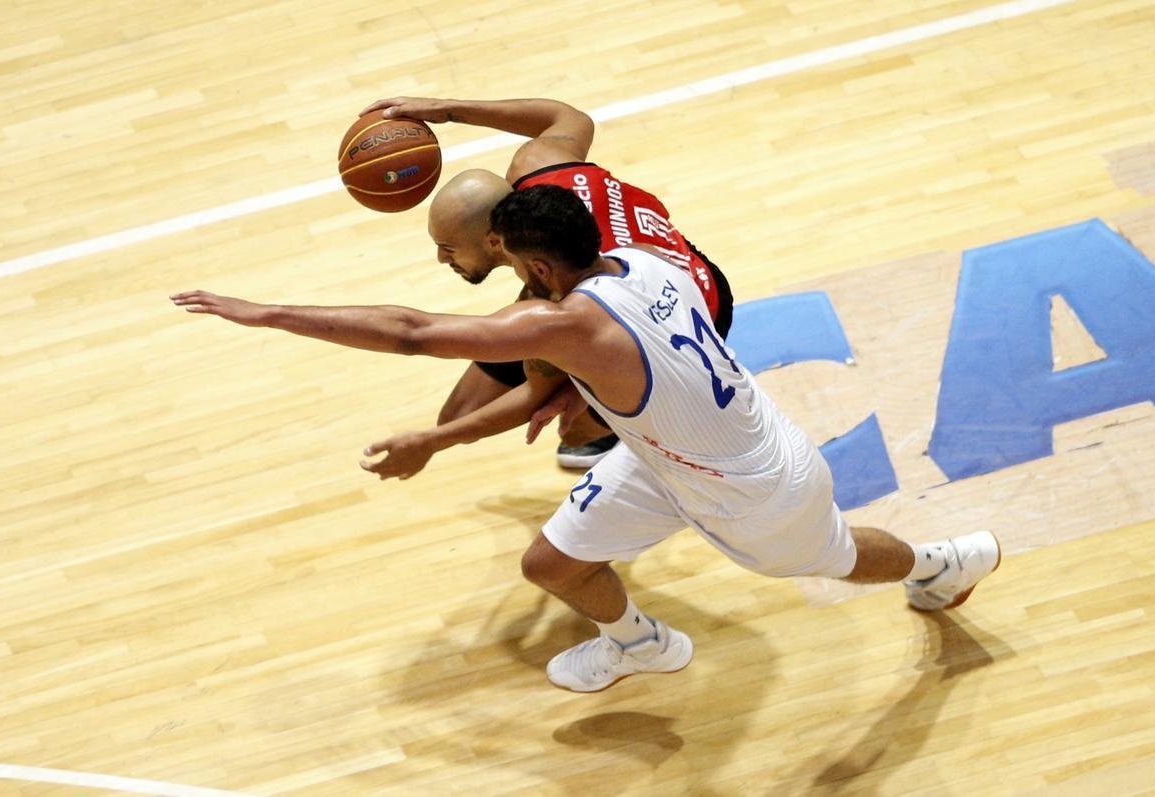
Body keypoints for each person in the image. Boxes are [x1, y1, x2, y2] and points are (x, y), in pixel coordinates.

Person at [171, 185, 1001, 693]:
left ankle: (939, 564)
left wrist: (266, 311)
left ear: (531, 262)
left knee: (837, 558)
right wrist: (444, 437)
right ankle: (643, 645)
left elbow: (415, 331)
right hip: (670, 453)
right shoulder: (646, 260)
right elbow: (560, 386)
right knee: (551, 564)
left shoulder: (570, 325)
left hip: (756, 488)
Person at [356, 96, 734, 469]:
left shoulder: (573, 293)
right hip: (625, 269)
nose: (441, 259)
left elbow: (531, 394)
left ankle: (628, 432)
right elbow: (569, 116)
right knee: (459, 413)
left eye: (448, 249)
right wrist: (448, 110)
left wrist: (432, 443)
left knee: (576, 432)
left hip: (686, 308)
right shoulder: (537, 164)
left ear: (495, 243)